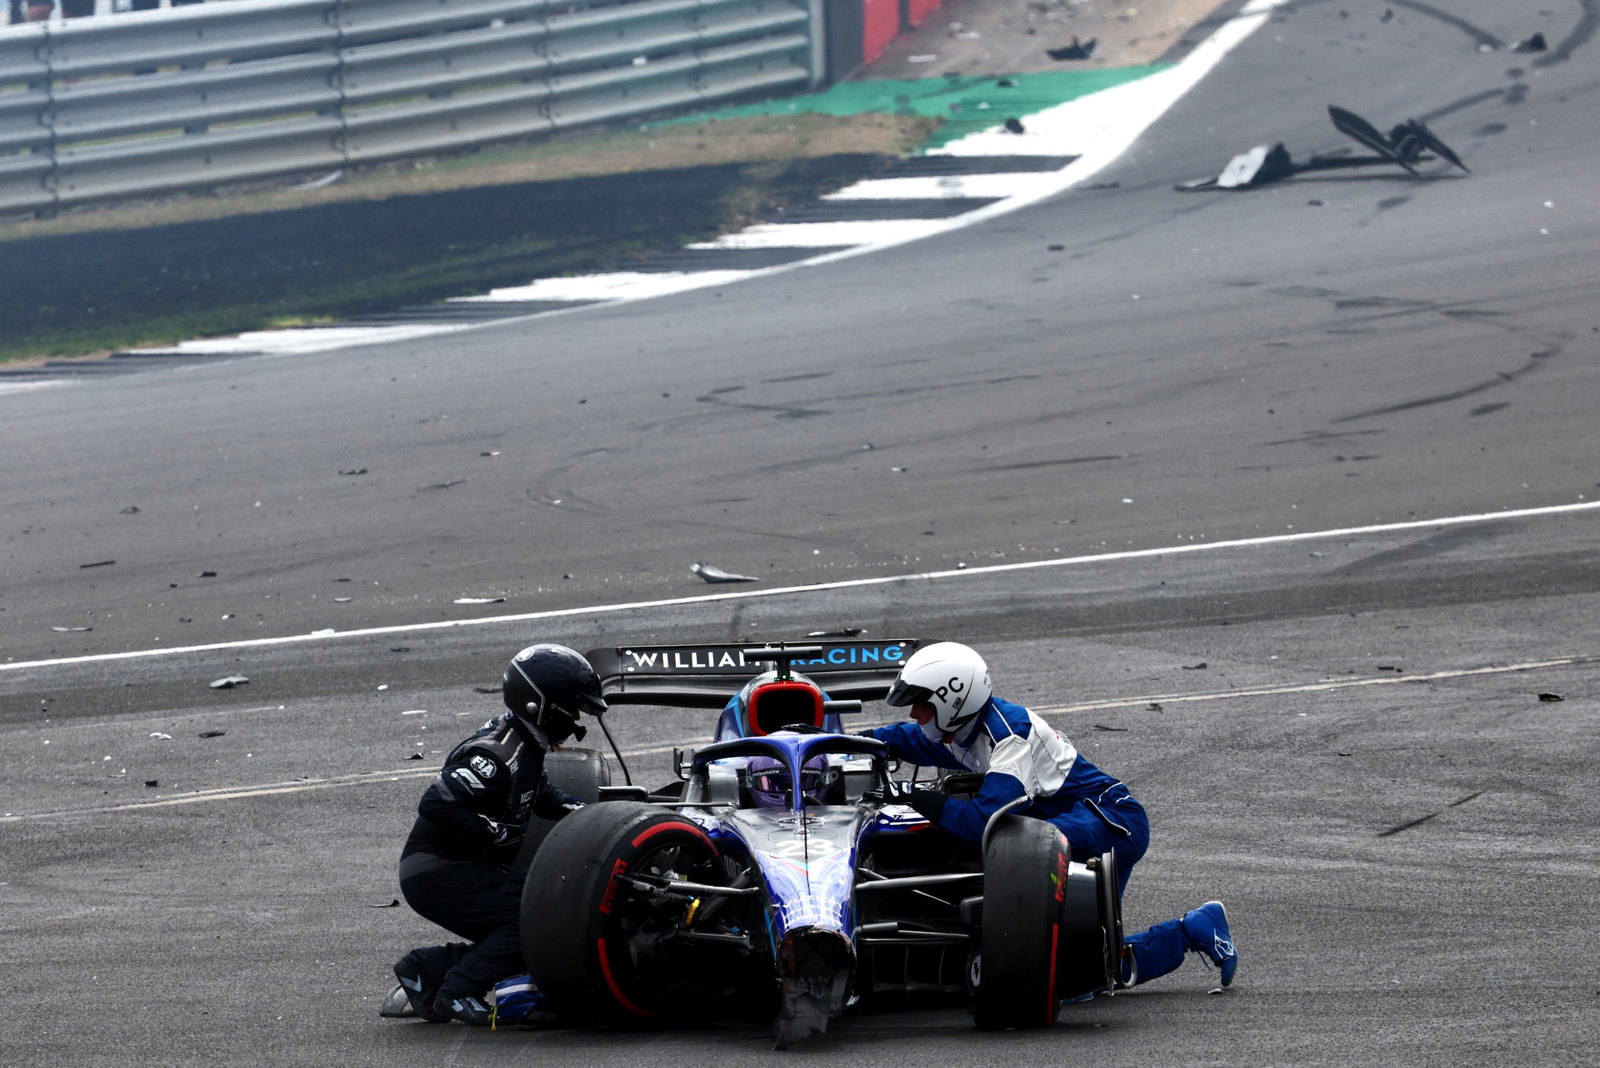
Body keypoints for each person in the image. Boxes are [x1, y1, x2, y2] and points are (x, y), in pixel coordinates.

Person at [859, 641, 1237, 991]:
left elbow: (984, 823)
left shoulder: (1009, 738)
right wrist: (848, 744)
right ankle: (1193, 930)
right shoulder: (962, 729)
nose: (913, 713)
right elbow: (905, 737)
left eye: (920, 704)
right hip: (1089, 818)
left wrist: (915, 796)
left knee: (1016, 852)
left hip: (1109, 820)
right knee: (1088, 973)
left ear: (951, 701)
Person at [392, 643, 606, 1025]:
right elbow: (435, 804)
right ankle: (459, 989)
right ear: (542, 704)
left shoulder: (527, 742)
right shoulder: (497, 755)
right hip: (437, 870)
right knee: (541, 916)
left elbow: (541, 794)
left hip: (462, 868)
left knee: (549, 919)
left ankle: (426, 969)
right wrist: (493, 833)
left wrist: (594, 816)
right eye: (573, 707)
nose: (576, 719)